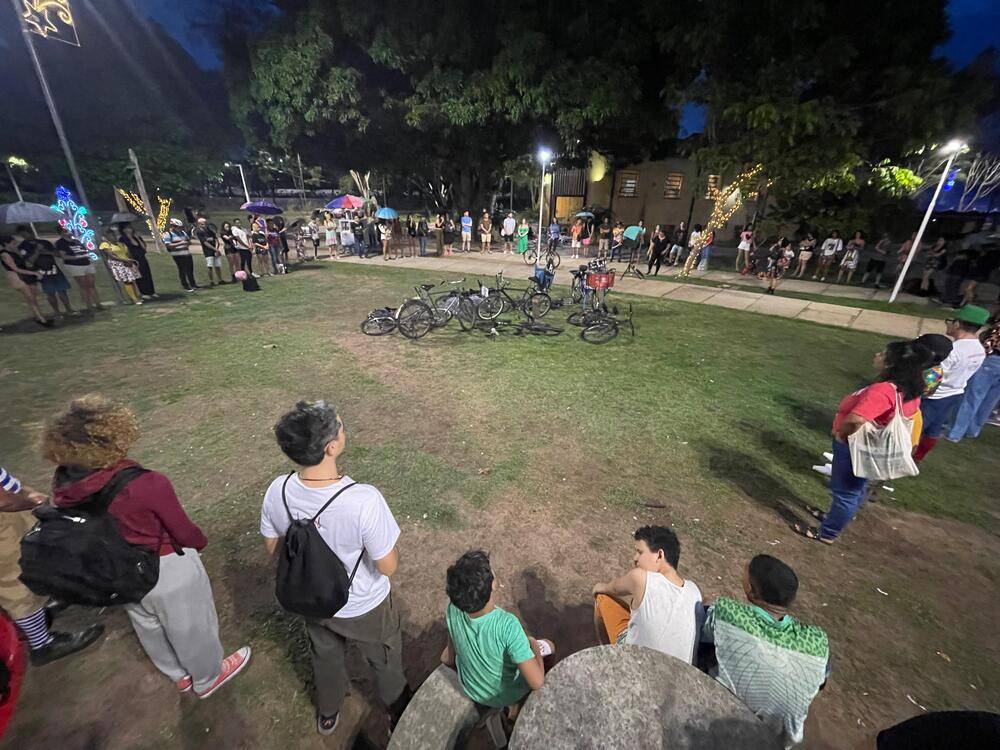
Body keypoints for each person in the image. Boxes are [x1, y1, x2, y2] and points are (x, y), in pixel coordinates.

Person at [44, 396, 250, 698]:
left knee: (146, 623)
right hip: (164, 568)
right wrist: (199, 544)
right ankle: (208, 677)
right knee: (191, 626)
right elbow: (182, 530)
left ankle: (178, 674)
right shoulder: (145, 483)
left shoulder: (63, 484)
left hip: (115, 569)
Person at [261, 401, 408, 734]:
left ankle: (328, 711)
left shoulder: (277, 490)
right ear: (331, 447)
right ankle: (399, 709)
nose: (343, 428)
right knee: (384, 655)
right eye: (340, 426)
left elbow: (272, 548)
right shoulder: (363, 500)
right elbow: (387, 567)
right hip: (364, 605)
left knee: (324, 654)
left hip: (312, 600)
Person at [796, 340, 930, 542]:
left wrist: (842, 435)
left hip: (855, 446)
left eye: (882, 353)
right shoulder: (911, 390)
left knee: (846, 492)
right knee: (857, 488)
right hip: (872, 449)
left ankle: (827, 533)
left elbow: (856, 419)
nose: (877, 355)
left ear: (892, 363)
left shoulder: (884, 390)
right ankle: (835, 519)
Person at [700, 555, 829, 748]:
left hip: (724, 730)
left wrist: (704, 605)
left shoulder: (727, 613)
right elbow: (821, 682)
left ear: (753, 592)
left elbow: (701, 628)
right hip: (779, 741)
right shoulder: (818, 641)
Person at [0, 464, 105, 671]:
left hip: (10, 512)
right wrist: (28, 501)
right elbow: (3, 501)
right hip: (5, 520)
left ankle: (43, 609)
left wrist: (23, 490)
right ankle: (43, 644)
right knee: (17, 584)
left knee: (34, 560)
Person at [442, 550, 553, 719]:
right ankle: (516, 706)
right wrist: (532, 645)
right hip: (504, 694)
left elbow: (450, 652)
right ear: (493, 584)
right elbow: (537, 682)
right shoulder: (508, 626)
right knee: (549, 646)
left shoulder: (453, 608)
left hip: (472, 687)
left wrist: (450, 658)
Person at [592, 526, 701, 663]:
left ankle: (606, 656)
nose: (635, 558)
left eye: (640, 552)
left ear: (659, 555)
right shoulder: (694, 591)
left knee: (603, 597)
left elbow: (611, 589)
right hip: (680, 671)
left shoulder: (640, 578)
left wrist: (597, 587)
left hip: (636, 665)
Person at [913, 305, 989, 461]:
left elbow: (933, 377)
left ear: (957, 324)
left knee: (915, 428)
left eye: (950, 321)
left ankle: (904, 456)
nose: (948, 324)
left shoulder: (953, 350)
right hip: (954, 394)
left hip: (934, 397)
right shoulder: (980, 349)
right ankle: (918, 458)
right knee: (934, 430)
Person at [947, 318, 1000, 442]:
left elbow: (990, 342)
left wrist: (979, 353)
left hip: (992, 361)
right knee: (990, 399)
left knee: (971, 397)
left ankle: (954, 432)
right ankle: (972, 430)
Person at [2, 234, 50, 326]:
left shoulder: (14, 251)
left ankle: (38, 316)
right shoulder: (5, 254)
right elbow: (15, 269)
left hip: (25, 275)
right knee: (30, 297)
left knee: (33, 297)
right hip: (17, 277)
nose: (15, 245)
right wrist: (34, 273)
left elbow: (23, 263)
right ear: (6, 244)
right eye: (13, 243)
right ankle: (41, 319)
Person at [52, 226, 100, 312]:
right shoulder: (61, 243)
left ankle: (98, 304)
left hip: (86, 263)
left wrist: (86, 255)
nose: (69, 232)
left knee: (91, 284)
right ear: (62, 233)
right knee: (83, 286)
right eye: (66, 231)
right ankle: (89, 306)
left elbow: (83, 250)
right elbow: (63, 256)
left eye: (69, 230)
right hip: (75, 265)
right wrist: (78, 257)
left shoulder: (76, 241)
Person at [31, 241, 77, 318]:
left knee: (62, 291)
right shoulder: (30, 249)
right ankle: (57, 312)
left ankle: (69, 309)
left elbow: (59, 255)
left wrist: (47, 252)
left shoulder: (47, 245)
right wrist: (37, 252)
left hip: (56, 272)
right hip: (44, 275)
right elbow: (30, 261)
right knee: (50, 293)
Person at [99, 230, 143, 304]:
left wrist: (130, 260)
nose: (112, 237)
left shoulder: (121, 244)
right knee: (127, 281)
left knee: (131, 280)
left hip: (128, 262)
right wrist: (124, 260)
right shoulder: (106, 245)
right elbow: (111, 255)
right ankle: (134, 298)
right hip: (118, 264)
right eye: (110, 236)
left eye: (113, 235)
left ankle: (136, 296)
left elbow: (127, 253)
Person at [119, 223, 157, 299]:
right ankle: (144, 292)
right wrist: (129, 238)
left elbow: (143, 247)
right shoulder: (123, 239)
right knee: (139, 276)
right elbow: (125, 249)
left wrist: (138, 238)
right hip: (133, 259)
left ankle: (151, 291)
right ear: (123, 230)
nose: (130, 229)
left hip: (142, 258)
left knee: (147, 274)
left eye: (130, 228)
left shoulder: (136, 237)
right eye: (127, 228)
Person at [162, 219, 198, 292]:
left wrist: (188, 243)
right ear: (173, 226)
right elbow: (168, 245)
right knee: (182, 270)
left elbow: (188, 241)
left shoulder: (183, 232)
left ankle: (193, 284)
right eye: (178, 227)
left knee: (190, 270)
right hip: (178, 255)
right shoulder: (168, 234)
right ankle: (185, 285)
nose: (180, 228)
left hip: (186, 253)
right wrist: (180, 243)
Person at [194, 217, 227, 286]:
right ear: (199, 224)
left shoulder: (209, 230)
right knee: (210, 266)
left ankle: (220, 280)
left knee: (217, 265)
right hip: (208, 251)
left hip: (215, 250)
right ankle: (211, 281)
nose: (205, 224)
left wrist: (217, 249)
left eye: (205, 223)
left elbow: (216, 240)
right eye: (203, 223)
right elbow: (205, 243)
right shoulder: (199, 232)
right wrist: (215, 249)